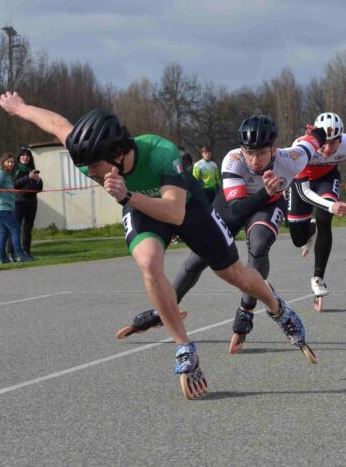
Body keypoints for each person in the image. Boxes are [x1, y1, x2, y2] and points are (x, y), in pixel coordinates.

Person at [0, 92, 315, 399]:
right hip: (141, 209)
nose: (90, 173)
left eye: (94, 168)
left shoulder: (161, 153)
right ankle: (185, 347)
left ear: (117, 155)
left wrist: (126, 196)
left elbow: (174, 212)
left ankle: (278, 308)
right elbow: (58, 124)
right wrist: (21, 108)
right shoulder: (90, 154)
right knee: (148, 262)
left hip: (186, 207)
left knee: (234, 274)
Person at [121, 115, 326, 358]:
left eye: (261, 153)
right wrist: (264, 191)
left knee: (259, 245)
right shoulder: (233, 160)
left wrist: (318, 131)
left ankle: (246, 310)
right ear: (241, 149)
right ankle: (165, 307)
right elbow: (237, 210)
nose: (255, 160)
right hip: (233, 205)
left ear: (274, 149)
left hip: (268, 205)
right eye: (249, 152)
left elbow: (316, 139)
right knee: (197, 260)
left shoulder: (292, 158)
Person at [287, 112, 346, 311]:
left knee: (324, 218)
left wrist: (329, 206)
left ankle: (318, 277)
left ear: (340, 139)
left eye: (333, 143)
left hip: (327, 179)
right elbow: (305, 193)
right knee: (298, 239)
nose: (328, 149)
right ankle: (309, 231)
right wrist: (331, 206)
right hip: (302, 185)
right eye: (324, 143)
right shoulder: (301, 147)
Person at [0, 153, 33, 264]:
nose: (11, 164)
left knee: (4, 234)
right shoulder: (0, 173)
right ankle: (21, 255)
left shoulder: (6, 175)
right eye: (8, 162)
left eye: (12, 162)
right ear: (3, 162)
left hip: (6, 207)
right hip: (1, 207)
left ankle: (3, 259)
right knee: (15, 229)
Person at [7, 147, 43, 261]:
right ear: (19, 157)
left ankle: (26, 253)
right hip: (18, 202)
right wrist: (28, 178)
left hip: (32, 202)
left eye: (27, 155)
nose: (25, 157)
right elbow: (13, 184)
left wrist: (38, 181)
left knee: (28, 228)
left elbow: (39, 188)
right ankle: (11, 253)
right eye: (23, 155)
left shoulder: (32, 170)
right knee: (15, 228)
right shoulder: (15, 169)